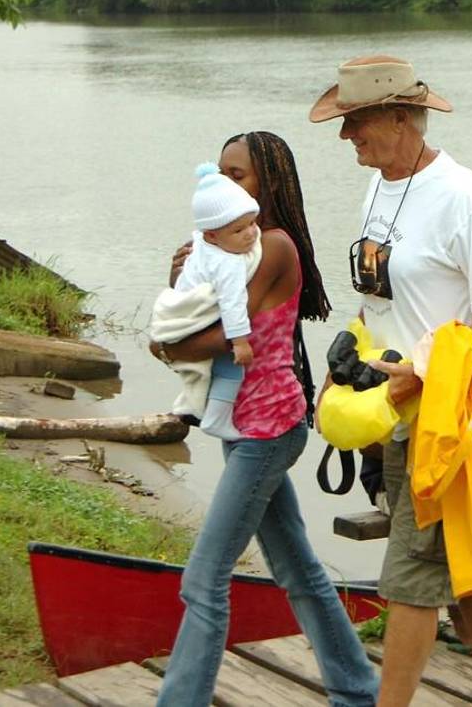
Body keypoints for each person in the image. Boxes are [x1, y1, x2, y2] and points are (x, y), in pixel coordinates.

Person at [309, 55, 472, 707]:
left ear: (402, 117)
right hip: (399, 408)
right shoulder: (379, 186)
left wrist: (424, 368)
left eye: (356, 122)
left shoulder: (463, 195)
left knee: (411, 576)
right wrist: (344, 366)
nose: (345, 136)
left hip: (454, 418)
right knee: (470, 577)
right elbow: (378, 298)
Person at [149, 131, 378, 707]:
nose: (227, 184)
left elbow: (225, 332)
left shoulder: (274, 247)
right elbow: (194, 311)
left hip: (269, 429)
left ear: (267, 184)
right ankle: (357, 691)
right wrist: (181, 272)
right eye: (221, 173)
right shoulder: (234, 250)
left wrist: (170, 348)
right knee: (296, 568)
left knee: (204, 580)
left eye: (240, 174)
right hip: (245, 426)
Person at [152, 164, 260, 441]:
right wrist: (240, 341)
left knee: (201, 371)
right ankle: (217, 419)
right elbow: (232, 303)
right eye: (239, 230)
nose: (250, 234)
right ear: (212, 234)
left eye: (252, 223)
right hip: (192, 318)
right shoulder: (230, 263)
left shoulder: (202, 241)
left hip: (177, 315)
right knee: (230, 369)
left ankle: (190, 406)